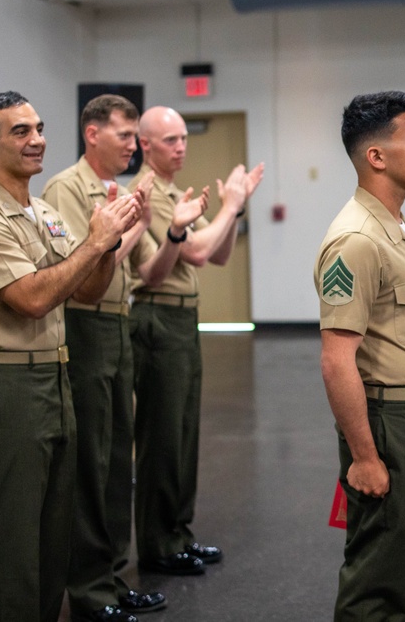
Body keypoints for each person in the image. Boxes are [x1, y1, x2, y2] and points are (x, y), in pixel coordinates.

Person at [0, 91, 142, 622]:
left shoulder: (46, 213)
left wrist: (106, 242)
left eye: (39, 128)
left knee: (55, 541)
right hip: (4, 390)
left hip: (55, 380)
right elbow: (32, 298)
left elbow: (87, 290)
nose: (38, 140)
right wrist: (93, 243)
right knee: (14, 547)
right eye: (20, 132)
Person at [41, 95, 209, 622]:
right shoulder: (68, 189)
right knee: (90, 463)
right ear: (92, 134)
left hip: (119, 323)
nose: (134, 146)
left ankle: (111, 578)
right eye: (124, 136)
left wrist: (173, 230)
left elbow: (148, 270)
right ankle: (90, 592)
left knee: (116, 463)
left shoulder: (126, 192)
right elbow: (83, 270)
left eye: (137, 136)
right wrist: (128, 223)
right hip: (85, 325)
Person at [314, 91, 405, 622]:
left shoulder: (402, 233)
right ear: (376, 156)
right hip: (390, 427)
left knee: (404, 573)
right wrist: (366, 456)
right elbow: (336, 360)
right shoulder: (356, 240)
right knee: (377, 584)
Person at [131, 106, 264, 575]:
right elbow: (197, 250)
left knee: (183, 434)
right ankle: (157, 543)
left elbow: (219, 253)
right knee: (163, 436)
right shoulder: (145, 193)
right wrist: (228, 207)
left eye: (184, 137)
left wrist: (237, 207)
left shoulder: (171, 191)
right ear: (145, 144)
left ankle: (176, 534)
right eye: (170, 139)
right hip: (156, 319)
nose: (181, 146)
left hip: (182, 321)